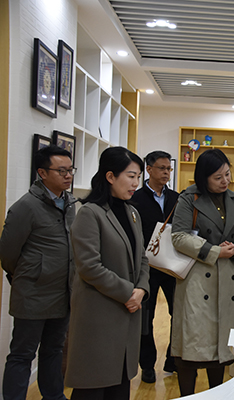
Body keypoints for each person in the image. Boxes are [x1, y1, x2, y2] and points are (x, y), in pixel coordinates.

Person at [65, 147, 150, 399]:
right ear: (110, 176)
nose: (135, 183)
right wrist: (129, 292)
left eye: (138, 177)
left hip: (128, 312)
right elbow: (89, 267)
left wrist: (142, 289)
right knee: (92, 386)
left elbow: (142, 257)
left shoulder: (132, 212)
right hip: (99, 315)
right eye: (131, 176)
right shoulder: (90, 213)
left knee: (119, 386)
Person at [170, 149, 234, 395]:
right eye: (218, 177)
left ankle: (217, 394)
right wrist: (215, 251)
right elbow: (178, 236)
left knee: (220, 352)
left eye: (227, 174)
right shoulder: (189, 198)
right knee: (192, 347)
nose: (225, 181)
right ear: (203, 177)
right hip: (197, 281)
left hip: (227, 280)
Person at [0, 145, 76, 400]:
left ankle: (53, 396)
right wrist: (30, 275)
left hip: (63, 293)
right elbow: (8, 254)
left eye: (70, 170)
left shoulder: (70, 203)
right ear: (42, 173)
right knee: (22, 354)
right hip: (32, 294)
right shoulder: (26, 206)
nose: (68, 175)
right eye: (61, 171)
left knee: (54, 350)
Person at [131, 151, 179, 383]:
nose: (166, 173)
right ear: (148, 169)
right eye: (162, 168)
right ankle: (147, 365)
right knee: (145, 318)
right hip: (146, 267)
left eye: (169, 169)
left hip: (172, 265)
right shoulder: (135, 198)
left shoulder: (177, 199)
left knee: (178, 313)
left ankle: (173, 359)